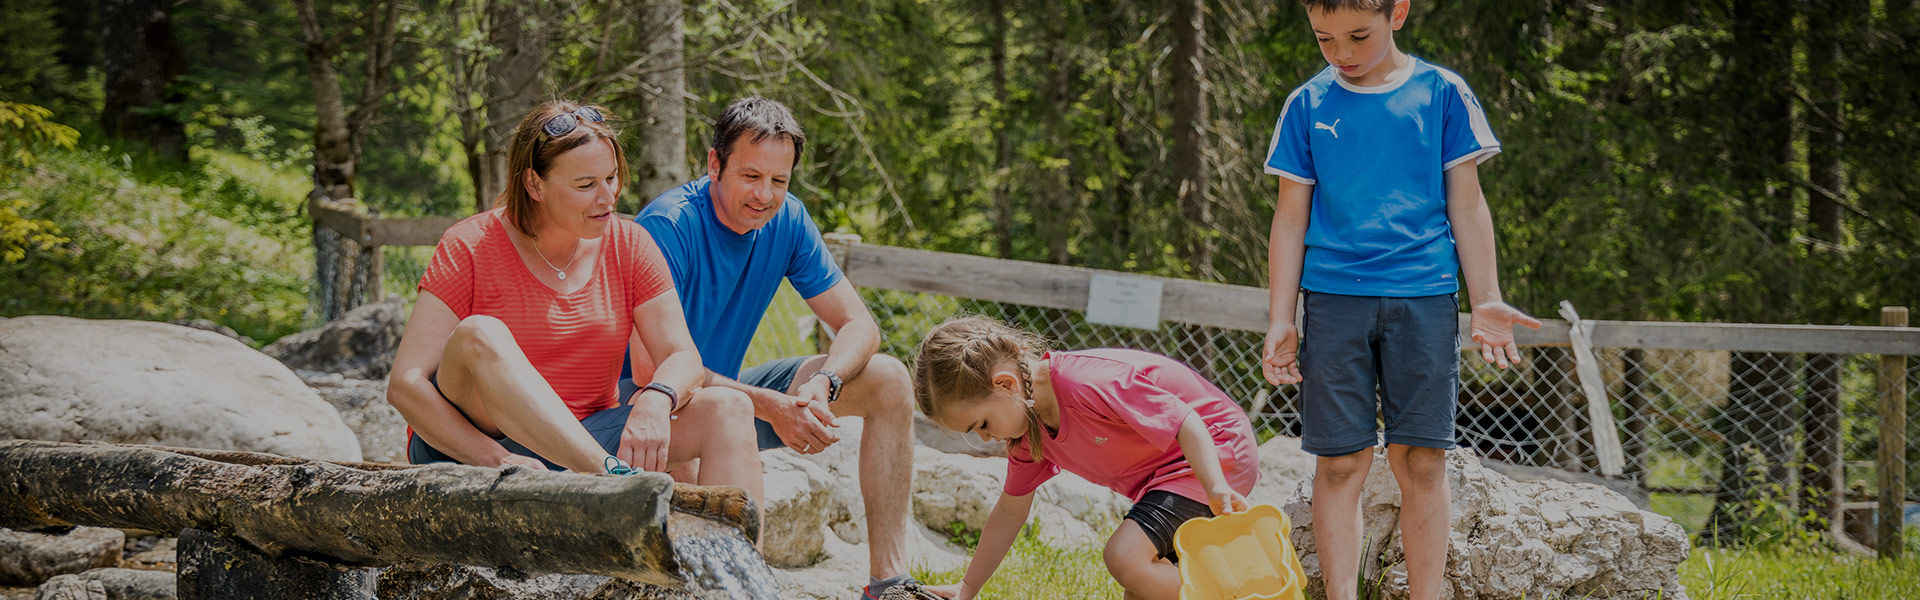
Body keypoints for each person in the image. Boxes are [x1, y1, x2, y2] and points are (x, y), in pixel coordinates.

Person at [1259, 2, 1541, 599]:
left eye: (1359, 35)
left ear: (1399, 13)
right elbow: (1289, 218)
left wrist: (1485, 297)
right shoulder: (1306, 104)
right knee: (1338, 465)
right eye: (1324, 39)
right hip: (1334, 304)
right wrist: (1281, 319)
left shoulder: (1443, 92)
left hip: (1424, 301)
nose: (1342, 52)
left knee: (1422, 462)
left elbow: (1467, 203)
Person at [386, 101, 762, 511]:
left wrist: (657, 397)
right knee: (481, 332)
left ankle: (744, 570)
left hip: (584, 436)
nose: (607, 197)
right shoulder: (469, 244)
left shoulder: (631, 243)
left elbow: (681, 355)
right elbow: (405, 385)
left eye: (611, 178)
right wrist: (497, 460)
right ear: (534, 185)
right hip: (472, 447)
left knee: (729, 407)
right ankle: (607, 477)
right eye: (585, 185)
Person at [624, 96, 921, 599]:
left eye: (779, 181)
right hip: (653, 409)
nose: (765, 195)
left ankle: (889, 584)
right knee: (718, 436)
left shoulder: (789, 221)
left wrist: (822, 387)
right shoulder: (668, 226)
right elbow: (648, 367)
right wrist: (772, 406)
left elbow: (859, 325)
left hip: (732, 398)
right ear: (715, 163)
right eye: (750, 176)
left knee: (888, 378)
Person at [913, 316, 1260, 600]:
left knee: (1124, 556)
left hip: (1212, 451)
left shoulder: (1085, 382)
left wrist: (1214, 485)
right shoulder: (1027, 435)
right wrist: (968, 587)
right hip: (1168, 477)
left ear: (1006, 385)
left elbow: (1186, 421)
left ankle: (1236, 594)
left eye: (982, 424)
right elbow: (1010, 509)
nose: (986, 437)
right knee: (1141, 587)